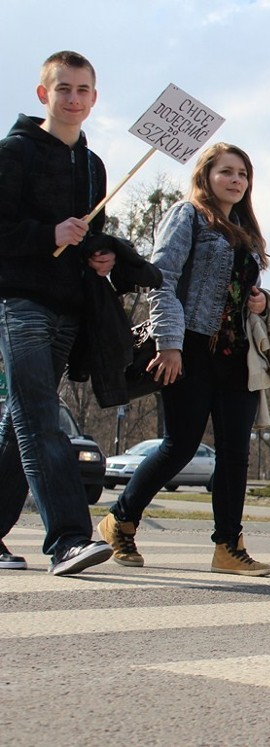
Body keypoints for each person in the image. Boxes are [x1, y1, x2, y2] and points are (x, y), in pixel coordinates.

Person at [98, 142, 270, 576]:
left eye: (243, 174)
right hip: (189, 347)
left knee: (235, 453)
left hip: (237, 355)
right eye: (226, 172)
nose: (235, 181)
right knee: (181, 445)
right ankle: (121, 520)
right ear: (206, 176)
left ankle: (228, 547)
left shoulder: (246, 232)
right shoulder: (188, 215)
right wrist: (169, 344)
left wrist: (262, 300)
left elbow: (241, 290)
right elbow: (162, 280)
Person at [0, 51, 113, 575]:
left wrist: (100, 255)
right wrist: (46, 235)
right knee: (40, 419)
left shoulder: (93, 166)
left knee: (18, 422)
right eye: (63, 89)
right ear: (43, 94)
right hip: (20, 303)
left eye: (83, 90)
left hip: (69, 309)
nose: (73, 99)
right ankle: (69, 538)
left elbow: (94, 231)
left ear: (93, 97)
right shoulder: (13, 153)